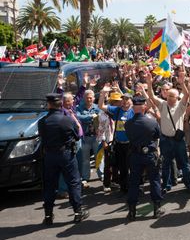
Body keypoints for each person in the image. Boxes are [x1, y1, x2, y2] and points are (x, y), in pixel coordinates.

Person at [39, 93, 89, 225]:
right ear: (60, 104)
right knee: (73, 182)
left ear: (49, 104)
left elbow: (42, 138)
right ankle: (78, 212)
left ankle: (48, 215)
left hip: (50, 155)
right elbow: (77, 136)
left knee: (49, 184)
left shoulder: (42, 122)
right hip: (66, 154)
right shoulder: (67, 120)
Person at [144, 71, 190, 194]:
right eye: (169, 96)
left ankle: (189, 185)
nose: (170, 98)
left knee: (184, 164)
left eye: (172, 96)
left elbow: (187, 95)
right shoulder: (163, 104)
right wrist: (149, 84)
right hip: (165, 139)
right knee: (165, 164)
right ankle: (166, 185)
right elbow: (151, 96)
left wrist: (183, 84)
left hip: (178, 140)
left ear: (177, 97)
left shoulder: (181, 105)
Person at [124, 96, 163, 221]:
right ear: (144, 107)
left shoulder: (128, 123)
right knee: (154, 180)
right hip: (150, 153)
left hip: (135, 154)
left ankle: (132, 210)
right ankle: (156, 208)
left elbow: (129, 136)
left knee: (134, 182)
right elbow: (157, 135)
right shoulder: (151, 122)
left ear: (134, 108)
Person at [99, 88, 135, 193]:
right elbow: (101, 106)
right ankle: (124, 188)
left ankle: (133, 187)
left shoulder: (134, 111)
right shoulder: (117, 110)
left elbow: (149, 106)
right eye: (123, 99)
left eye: (127, 99)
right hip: (119, 144)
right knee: (122, 167)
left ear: (131, 101)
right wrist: (103, 93)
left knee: (132, 166)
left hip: (130, 144)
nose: (124, 101)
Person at [76, 90, 100, 184]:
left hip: (96, 137)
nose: (89, 99)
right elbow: (79, 117)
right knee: (85, 159)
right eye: (87, 97)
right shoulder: (79, 108)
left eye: (91, 97)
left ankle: (101, 175)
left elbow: (100, 116)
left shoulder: (97, 107)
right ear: (84, 98)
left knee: (99, 158)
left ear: (94, 98)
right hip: (85, 138)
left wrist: (86, 116)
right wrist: (92, 116)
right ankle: (85, 177)